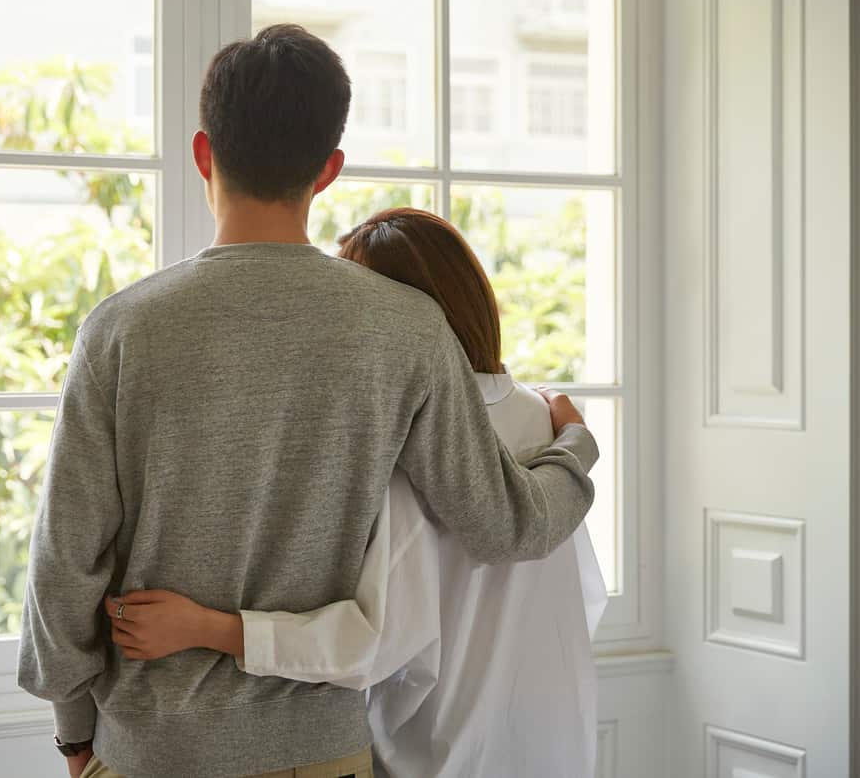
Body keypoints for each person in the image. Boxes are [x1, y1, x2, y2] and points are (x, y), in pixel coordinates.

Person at [16, 24, 600, 778]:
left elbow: (63, 566)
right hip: (322, 755)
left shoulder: (122, 329)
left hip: (152, 750)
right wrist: (576, 449)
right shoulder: (406, 329)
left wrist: (75, 735)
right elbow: (505, 524)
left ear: (204, 153)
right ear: (329, 170)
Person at [105, 208, 610, 778]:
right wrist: (578, 441)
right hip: (555, 741)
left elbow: (371, 643)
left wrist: (207, 627)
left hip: (434, 754)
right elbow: (580, 598)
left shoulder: (400, 442)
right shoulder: (546, 418)